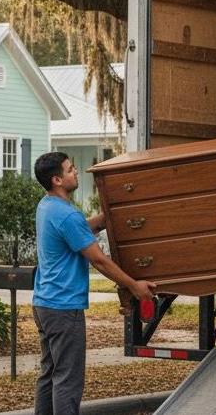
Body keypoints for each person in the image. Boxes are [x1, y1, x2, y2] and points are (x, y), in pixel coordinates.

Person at [32, 151, 155, 415]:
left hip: (45, 304)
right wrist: (134, 285)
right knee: (67, 378)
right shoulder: (67, 215)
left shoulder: (46, 206)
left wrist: (107, 217)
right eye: (70, 169)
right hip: (64, 308)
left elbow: (76, 229)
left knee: (50, 373)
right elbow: (99, 261)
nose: (76, 172)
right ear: (57, 179)